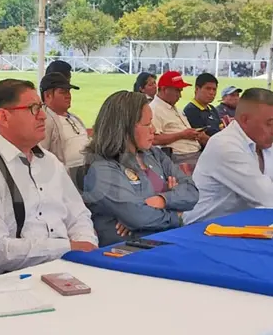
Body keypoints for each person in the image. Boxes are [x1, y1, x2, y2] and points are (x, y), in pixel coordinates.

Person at [0, 79, 97, 275]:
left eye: (41, 108)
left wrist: (85, 246)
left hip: (72, 268)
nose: (43, 116)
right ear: (4, 117)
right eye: (33, 109)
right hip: (16, 282)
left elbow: (79, 216)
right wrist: (68, 248)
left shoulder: (50, 162)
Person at [185, 88, 273, 223]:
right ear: (245, 120)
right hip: (202, 228)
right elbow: (265, 196)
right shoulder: (224, 145)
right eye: (269, 123)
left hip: (243, 224)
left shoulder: (271, 144)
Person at [83, 91, 198, 246]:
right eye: (147, 124)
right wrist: (176, 213)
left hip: (165, 240)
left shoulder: (154, 154)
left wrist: (162, 200)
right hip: (128, 251)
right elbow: (138, 217)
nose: (153, 130)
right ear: (125, 128)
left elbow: (192, 192)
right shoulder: (102, 169)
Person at [150, 71, 204, 165]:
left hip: (192, 154)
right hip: (178, 158)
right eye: (177, 91)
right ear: (164, 89)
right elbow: (154, 139)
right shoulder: (154, 110)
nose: (180, 95)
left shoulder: (175, 109)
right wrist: (182, 135)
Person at [40, 72, 90, 172]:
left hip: (87, 169)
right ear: (48, 95)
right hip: (65, 174)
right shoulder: (44, 121)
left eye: (68, 92)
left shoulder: (74, 118)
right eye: (63, 92)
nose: (68, 96)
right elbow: (41, 155)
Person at [183, 73, 223, 144]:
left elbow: (221, 129)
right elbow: (201, 138)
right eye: (208, 89)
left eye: (214, 89)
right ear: (197, 89)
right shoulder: (191, 111)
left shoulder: (212, 108)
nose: (211, 93)